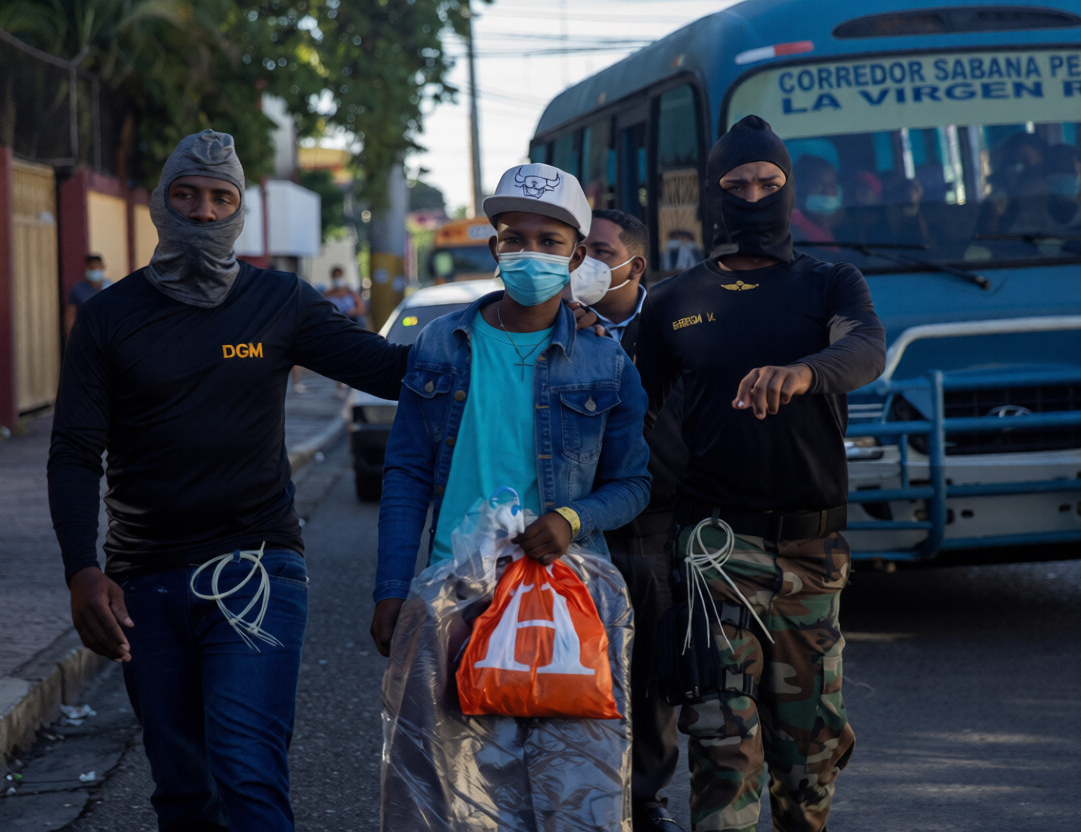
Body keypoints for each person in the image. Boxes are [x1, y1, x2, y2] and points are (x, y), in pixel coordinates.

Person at [47, 130, 412, 832]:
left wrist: (500, 325)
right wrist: (80, 570)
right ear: (162, 202)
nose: (205, 212)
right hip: (144, 582)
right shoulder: (107, 319)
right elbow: (72, 452)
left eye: (222, 197)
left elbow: (391, 370)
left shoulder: (278, 301)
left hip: (258, 570)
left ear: (240, 208)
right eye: (188, 195)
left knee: (246, 776)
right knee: (184, 793)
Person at [371, 163, 651, 829]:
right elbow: (406, 473)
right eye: (513, 238)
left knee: (571, 795)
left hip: (567, 604)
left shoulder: (605, 360)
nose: (530, 253)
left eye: (549, 241)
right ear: (495, 248)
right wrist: (390, 589)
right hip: (454, 598)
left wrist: (571, 517)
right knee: (452, 795)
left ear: (577, 255)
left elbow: (635, 483)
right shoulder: (442, 343)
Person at [635, 115, 885, 832]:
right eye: (735, 184)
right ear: (712, 195)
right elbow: (633, 418)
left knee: (809, 755)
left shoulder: (831, 283)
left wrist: (805, 374)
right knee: (720, 738)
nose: (752, 196)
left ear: (789, 188)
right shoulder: (673, 301)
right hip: (712, 547)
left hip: (813, 549)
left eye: (768, 183)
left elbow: (866, 350)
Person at [574, 208, 683, 831]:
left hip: (655, 520)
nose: (583, 261)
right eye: (579, 248)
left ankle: (644, 798)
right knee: (574, 660)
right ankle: (580, 786)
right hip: (572, 518)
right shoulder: (557, 320)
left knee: (651, 668)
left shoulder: (674, 324)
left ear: (634, 265)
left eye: (598, 249)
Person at [789, 154, 842, 246]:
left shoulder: (826, 223)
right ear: (799, 188)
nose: (827, 193)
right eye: (817, 185)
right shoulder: (793, 228)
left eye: (832, 185)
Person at [63, 253, 110, 339]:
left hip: (107, 334)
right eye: (91, 268)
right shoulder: (77, 289)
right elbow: (70, 316)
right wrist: (71, 338)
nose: (94, 270)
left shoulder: (110, 287)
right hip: (86, 335)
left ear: (102, 267)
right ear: (85, 268)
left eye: (96, 267)